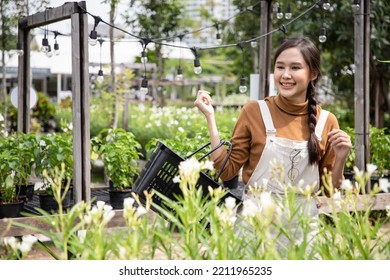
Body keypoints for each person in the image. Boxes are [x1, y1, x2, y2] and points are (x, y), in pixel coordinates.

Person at [194, 36, 352, 202]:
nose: (285, 75)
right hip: (256, 221)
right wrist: (210, 117)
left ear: (313, 74)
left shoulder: (326, 121)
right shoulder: (254, 111)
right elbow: (226, 171)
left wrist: (341, 158)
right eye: (280, 67)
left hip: (302, 223)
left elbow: (330, 190)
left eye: (295, 68)